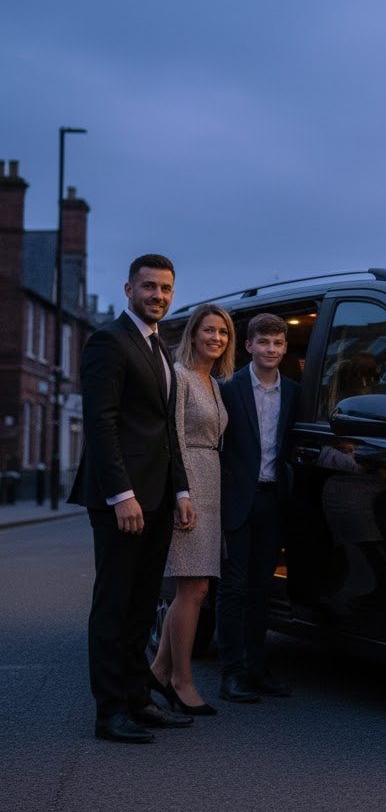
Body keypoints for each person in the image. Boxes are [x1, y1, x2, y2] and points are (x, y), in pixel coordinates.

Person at [69, 254, 196, 744]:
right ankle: (110, 712)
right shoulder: (109, 341)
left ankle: (139, 699)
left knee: (144, 605)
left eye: (165, 288)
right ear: (128, 289)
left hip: (159, 498)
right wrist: (122, 494)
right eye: (149, 287)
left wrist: (181, 490)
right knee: (114, 604)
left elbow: (168, 430)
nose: (158, 296)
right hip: (123, 500)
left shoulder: (159, 347)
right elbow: (101, 423)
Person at [149, 304, 235, 716]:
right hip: (190, 484)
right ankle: (182, 679)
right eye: (209, 330)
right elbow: (174, 439)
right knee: (193, 589)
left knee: (196, 588)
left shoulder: (214, 383)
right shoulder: (181, 377)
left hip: (212, 480)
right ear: (193, 335)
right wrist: (181, 493)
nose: (216, 338)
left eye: (223, 332)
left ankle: (159, 671)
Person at [217, 313, 300, 702]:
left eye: (278, 343)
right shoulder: (229, 389)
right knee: (233, 588)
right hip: (236, 501)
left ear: (284, 348)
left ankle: (256, 667)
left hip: (272, 499)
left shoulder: (295, 392)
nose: (271, 349)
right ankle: (231, 673)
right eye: (263, 342)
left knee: (261, 589)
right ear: (248, 345)